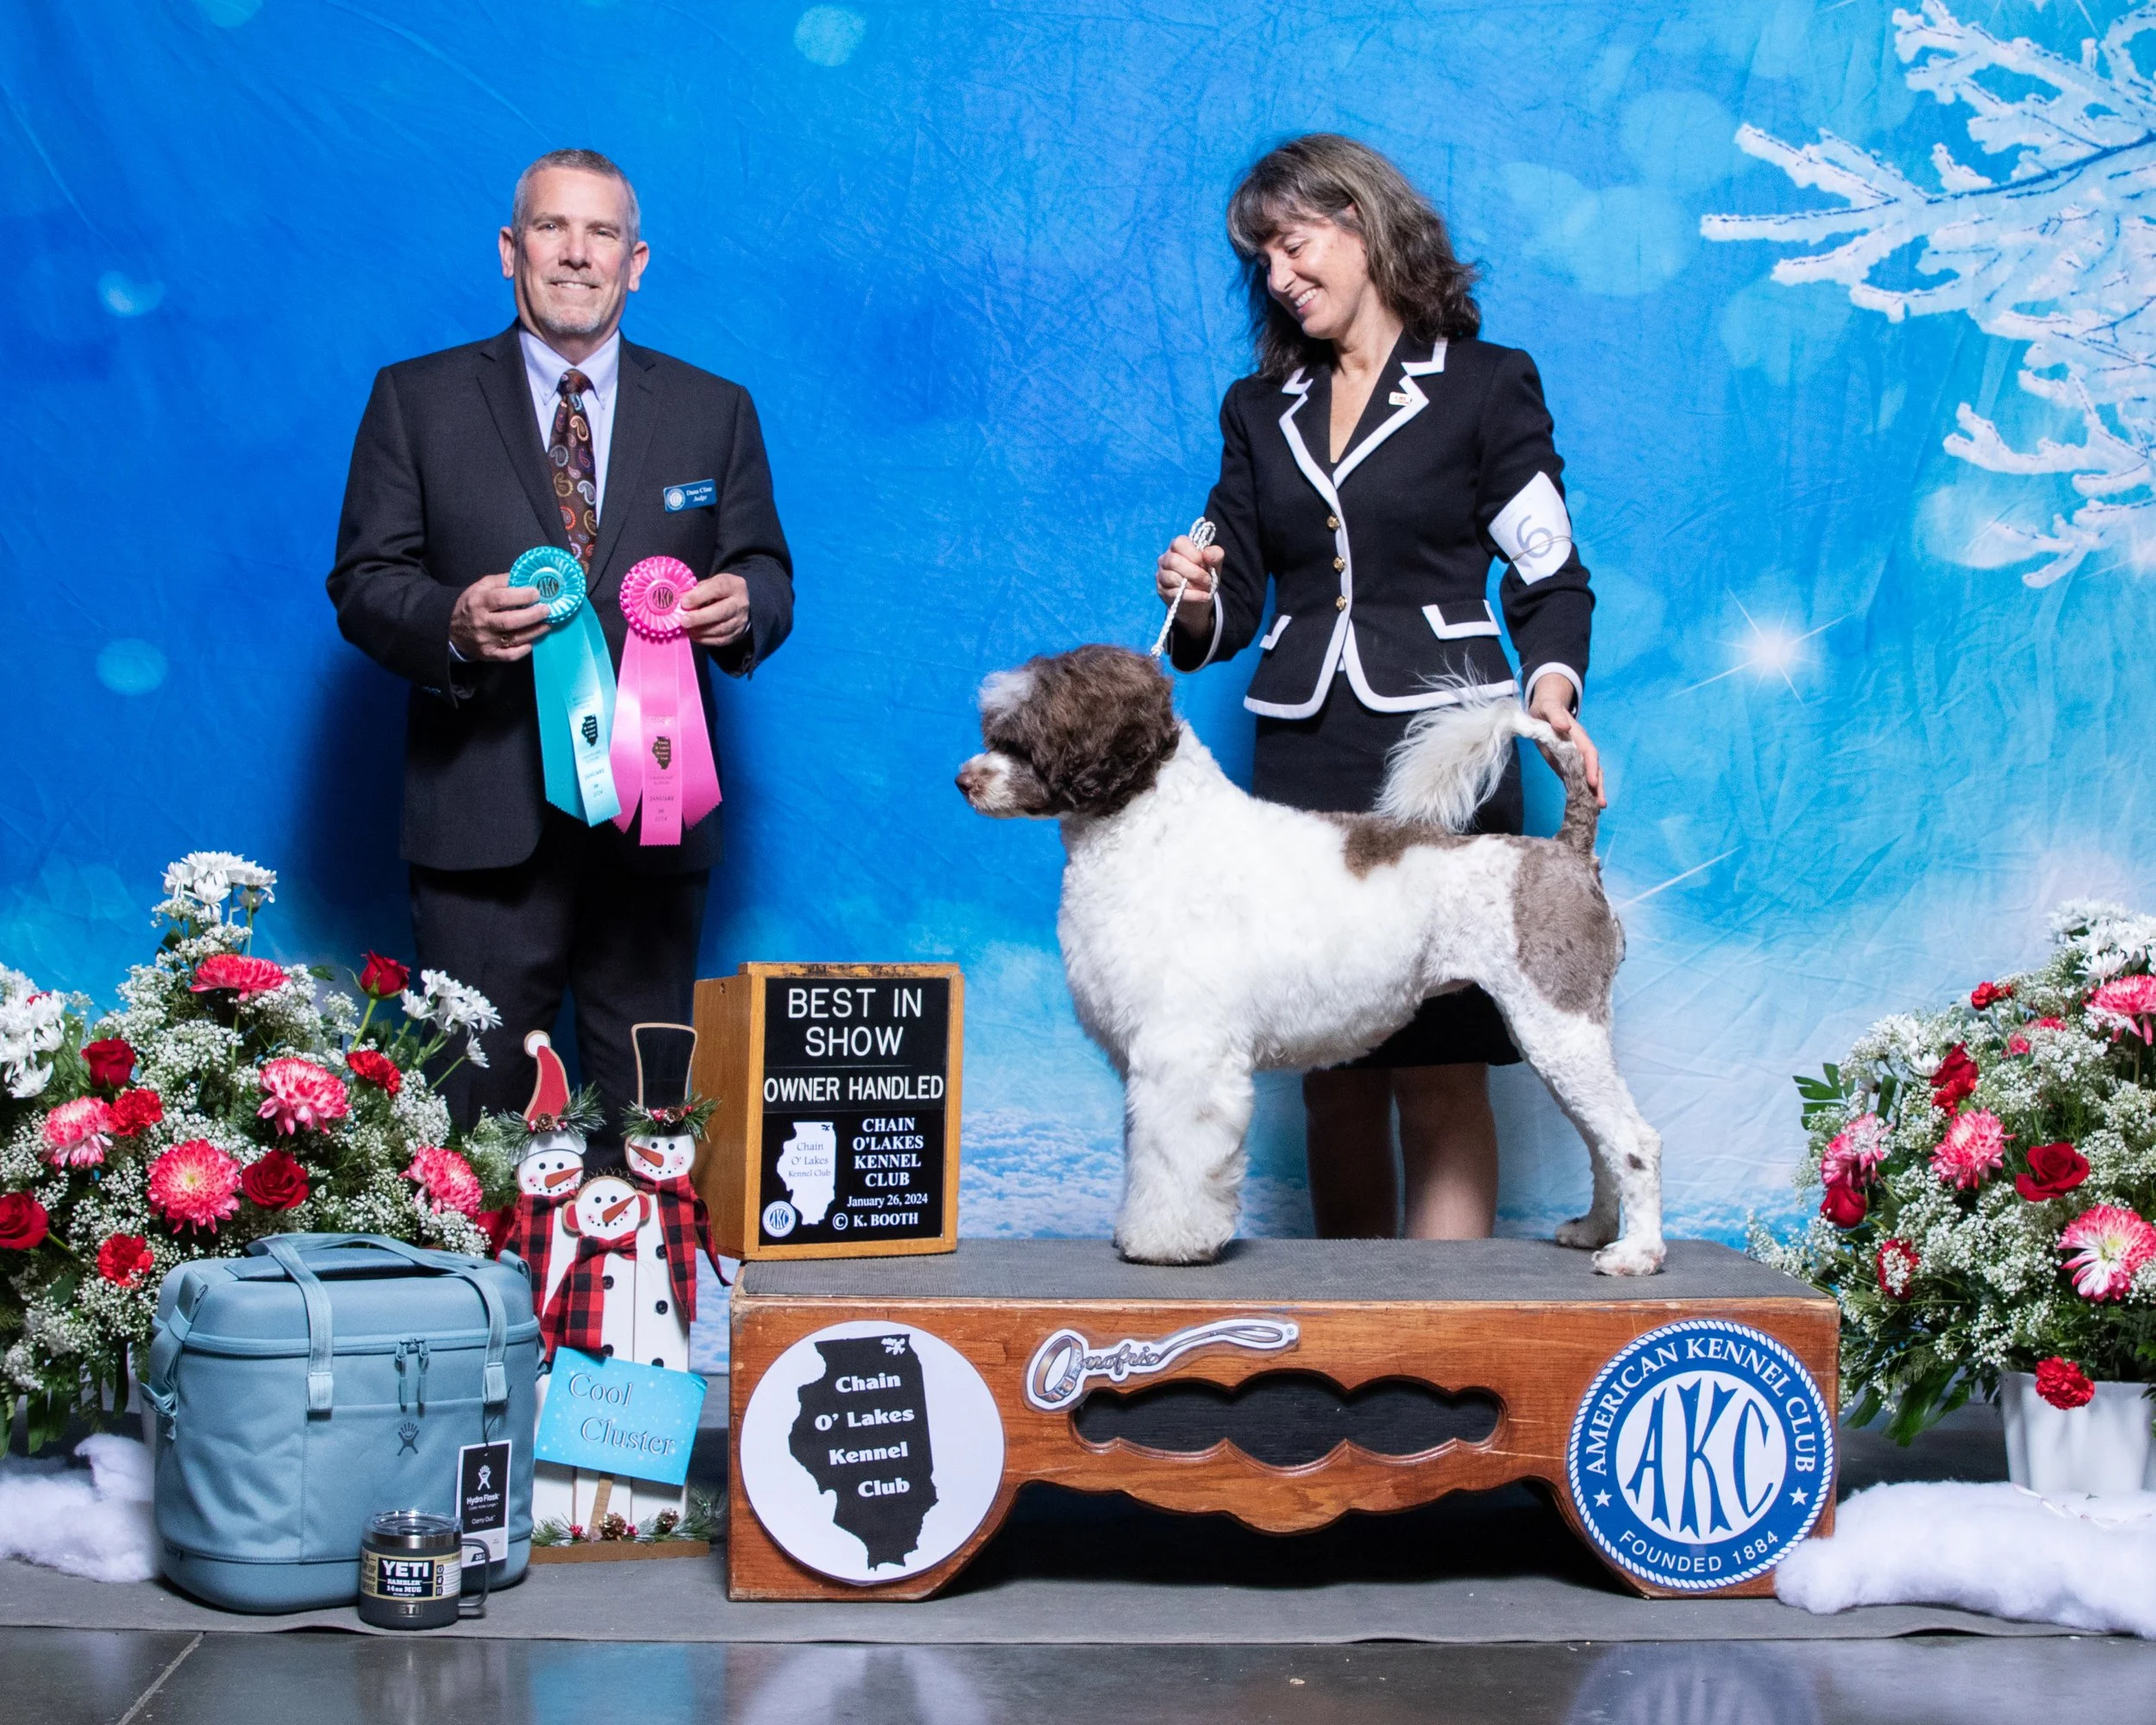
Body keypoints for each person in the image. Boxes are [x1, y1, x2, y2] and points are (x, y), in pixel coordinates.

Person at [1156, 134, 1604, 1241]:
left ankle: (1438, 1350)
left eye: (1293, 245)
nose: (1276, 276)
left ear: (1362, 226)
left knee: (1441, 1062)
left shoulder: (1487, 386)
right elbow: (1234, 605)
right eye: (1261, 258)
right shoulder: (1257, 408)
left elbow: (1549, 574)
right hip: (1304, 756)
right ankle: (1349, 1343)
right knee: (1332, 1061)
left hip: (1444, 750)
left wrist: (1551, 689)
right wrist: (1196, 590)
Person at [327, 148, 793, 1151]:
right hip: (479, 827)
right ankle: (480, 1315)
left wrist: (742, 605)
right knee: (476, 1137)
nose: (576, 253)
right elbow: (363, 584)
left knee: (652, 1126)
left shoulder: (717, 410)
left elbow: (766, 569)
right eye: (550, 228)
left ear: (637, 261)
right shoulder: (415, 398)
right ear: (509, 250)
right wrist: (450, 620)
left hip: (654, 832)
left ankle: (642, 1311)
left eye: (602, 233)